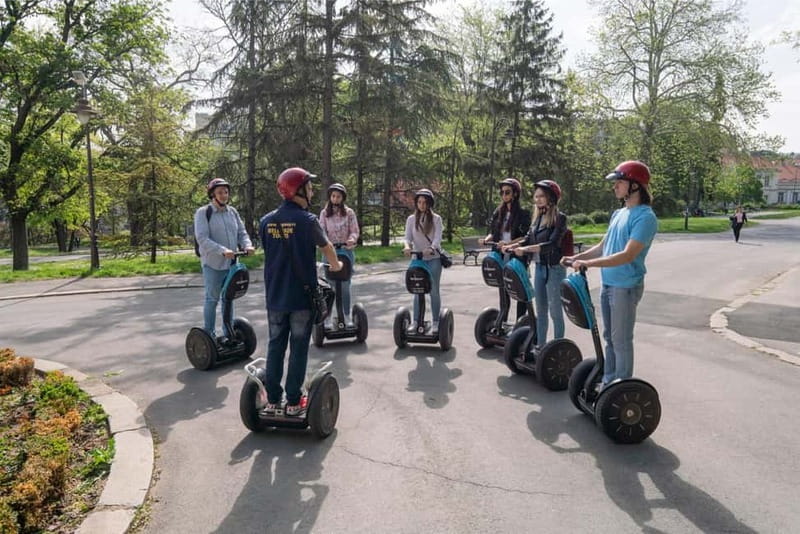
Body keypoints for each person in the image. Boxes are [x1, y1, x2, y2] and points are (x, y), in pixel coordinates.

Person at [561, 161, 658, 387]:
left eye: (620, 182)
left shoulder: (645, 217)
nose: (615, 187)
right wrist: (577, 259)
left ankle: (621, 387)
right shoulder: (619, 213)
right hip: (609, 284)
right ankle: (608, 380)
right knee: (609, 338)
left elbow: (628, 255)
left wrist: (590, 264)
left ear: (635, 186)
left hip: (625, 286)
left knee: (621, 339)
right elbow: (603, 247)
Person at [260, 167, 342, 416]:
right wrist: (337, 265)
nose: (312, 190)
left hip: (275, 296)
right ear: (297, 190)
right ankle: (294, 401)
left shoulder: (266, 221)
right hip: (301, 297)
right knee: (298, 347)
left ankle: (273, 399)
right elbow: (326, 247)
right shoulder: (308, 221)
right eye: (308, 186)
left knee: (275, 345)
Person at [505, 179, 567, 345]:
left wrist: (525, 250)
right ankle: (541, 346)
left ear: (551, 198)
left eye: (541, 196)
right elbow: (527, 238)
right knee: (541, 310)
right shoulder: (537, 218)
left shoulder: (559, 218)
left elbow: (552, 244)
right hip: (540, 268)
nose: (537, 199)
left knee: (555, 311)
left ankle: (558, 346)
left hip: (554, 269)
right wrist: (511, 246)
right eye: (536, 196)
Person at [194, 178, 255, 341]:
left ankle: (229, 333)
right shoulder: (203, 213)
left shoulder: (232, 212)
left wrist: (247, 245)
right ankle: (209, 336)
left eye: (226, 192)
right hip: (213, 264)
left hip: (232, 264)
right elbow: (202, 238)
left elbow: (242, 233)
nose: (224, 195)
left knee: (228, 299)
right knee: (212, 299)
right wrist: (222, 250)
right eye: (220, 192)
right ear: (212, 194)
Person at [480, 178, 532, 321]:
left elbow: (525, 237)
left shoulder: (523, 213)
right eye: (502, 192)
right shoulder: (499, 212)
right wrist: (487, 239)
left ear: (515, 194)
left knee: (519, 288)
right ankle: (503, 319)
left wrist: (509, 244)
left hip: (516, 255)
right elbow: (493, 231)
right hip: (500, 255)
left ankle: (520, 321)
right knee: (503, 288)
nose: (504, 195)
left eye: (507, 192)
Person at [403, 188, 445, 334]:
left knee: (433, 291)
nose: (421, 205)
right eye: (419, 202)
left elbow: (438, 238)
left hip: (433, 259)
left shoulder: (436, 219)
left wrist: (432, 248)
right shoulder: (411, 219)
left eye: (424, 202)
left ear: (429, 203)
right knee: (417, 290)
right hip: (417, 259)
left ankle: (435, 322)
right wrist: (407, 247)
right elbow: (407, 237)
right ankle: (416, 321)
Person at [319, 183, 360, 328]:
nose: (335, 199)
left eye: (338, 196)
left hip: (346, 252)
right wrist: (325, 242)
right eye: (333, 196)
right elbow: (321, 231)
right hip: (330, 252)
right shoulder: (324, 213)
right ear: (330, 197)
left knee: (345, 285)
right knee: (330, 287)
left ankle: (347, 315)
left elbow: (355, 230)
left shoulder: (349, 213)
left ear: (342, 198)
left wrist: (351, 239)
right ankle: (328, 317)